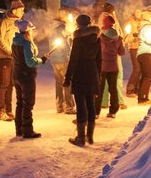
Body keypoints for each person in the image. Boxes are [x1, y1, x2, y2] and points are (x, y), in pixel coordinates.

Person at [65, 13, 101, 146]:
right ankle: (90, 136)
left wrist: (68, 77)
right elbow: (99, 60)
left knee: (81, 105)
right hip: (92, 73)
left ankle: (80, 138)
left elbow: (73, 60)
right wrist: (98, 76)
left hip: (80, 73)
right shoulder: (96, 39)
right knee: (91, 104)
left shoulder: (78, 40)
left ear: (78, 24)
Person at [11, 20, 45, 139]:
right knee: (28, 103)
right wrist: (41, 60)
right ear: (27, 30)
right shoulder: (26, 43)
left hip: (16, 74)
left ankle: (19, 129)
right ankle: (27, 130)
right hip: (26, 76)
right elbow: (30, 62)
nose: (32, 31)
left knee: (20, 102)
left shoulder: (15, 41)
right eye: (31, 29)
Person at [0, 0, 24, 121]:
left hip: (14, 57)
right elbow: (0, 38)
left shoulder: (19, 23)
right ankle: (0, 111)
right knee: (4, 83)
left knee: (11, 84)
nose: (23, 12)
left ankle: (9, 110)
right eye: (21, 10)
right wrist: (9, 51)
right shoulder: (4, 22)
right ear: (14, 10)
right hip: (4, 57)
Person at [97, 13, 126, 119]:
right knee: (113, 89)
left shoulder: (100, 38)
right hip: (114, 67)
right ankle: (113, 110)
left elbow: (96, 51)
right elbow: (122, 53)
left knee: (99, 89)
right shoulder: (118, 37)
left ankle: (96, 111)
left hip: (102, 67)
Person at [48, 16, 73, 114]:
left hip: (54, 60)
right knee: (67, 83)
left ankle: (59, 106)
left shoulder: (51, 29)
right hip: (63, 60)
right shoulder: (61, 28)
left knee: (58, 84)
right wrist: (69, 56)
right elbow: (64, 45)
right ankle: (69, 107)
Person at [135, 10, 151, 105]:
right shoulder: (147, 27)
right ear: (149, 18)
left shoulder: (143, 27)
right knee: (149, 75)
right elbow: (150, 39)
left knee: (145, 76)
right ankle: (143, 98)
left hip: (142, 53)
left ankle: (141, 98)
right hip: (145, 53)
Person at [124, 9, 142, 97]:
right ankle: (130, 89)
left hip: (140, 47)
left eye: (140, 12)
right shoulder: (130, 22)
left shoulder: (141, 22)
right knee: (137, 68)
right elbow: (126, 36)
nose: (139, 14)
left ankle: (137, 88)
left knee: (141, 68)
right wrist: (133, 36)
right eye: (137, 12)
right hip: (133, 47)